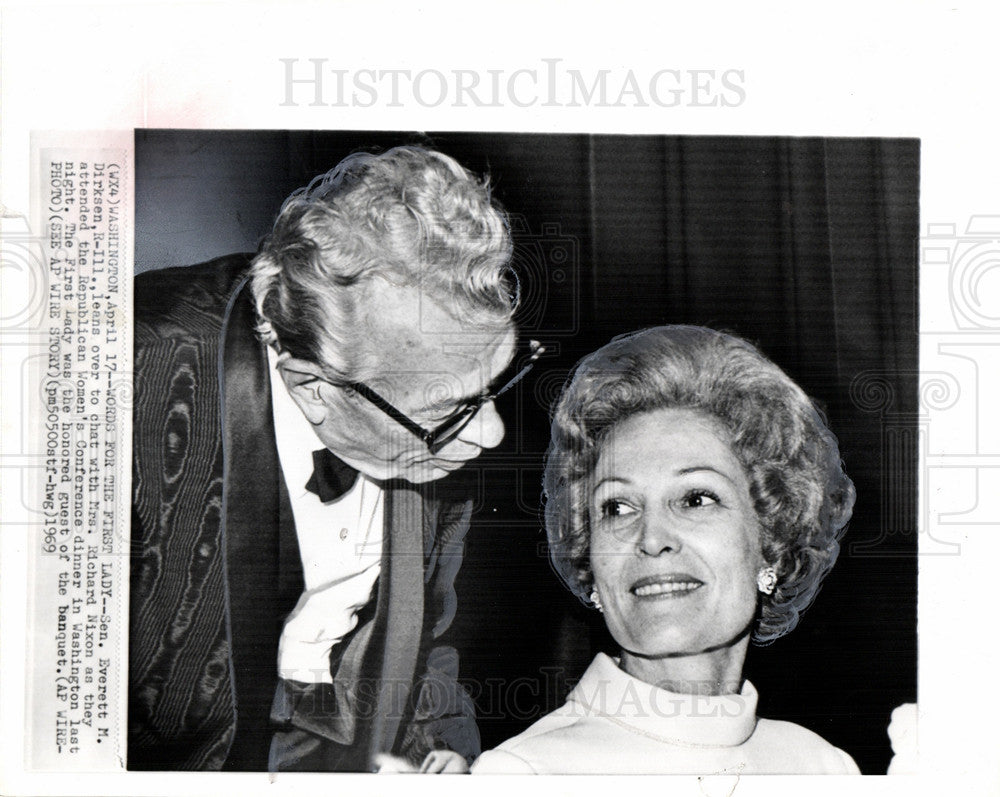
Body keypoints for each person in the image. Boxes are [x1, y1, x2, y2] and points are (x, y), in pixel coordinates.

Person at [129, 146, 534, 772]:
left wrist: (440, 752)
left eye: (492, 387)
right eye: (450, 408)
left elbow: (427, 643)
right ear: (316, 389)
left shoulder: (430, 405)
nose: (490, 432)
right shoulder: (125, 376)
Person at [472, 325, 859, 774]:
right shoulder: (527, 774)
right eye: (617, 507)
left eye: (696, 499)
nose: (652, 538)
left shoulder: (822, 767)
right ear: (590, 561)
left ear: (772, 541)